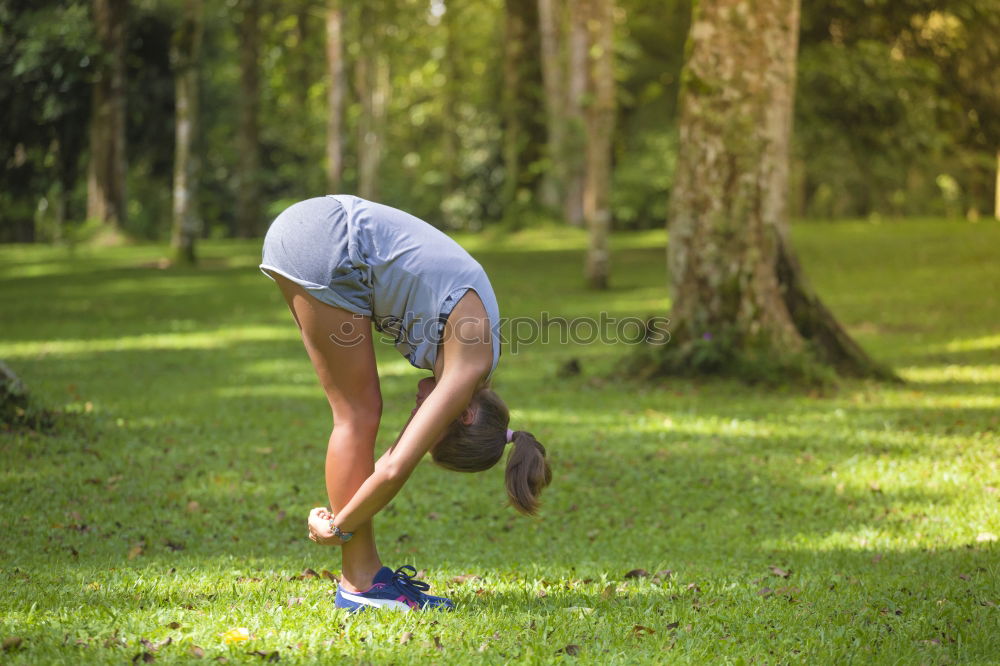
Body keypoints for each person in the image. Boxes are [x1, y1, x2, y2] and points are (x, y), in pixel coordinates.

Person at [259, 195, 552, 612]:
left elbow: (390, 458)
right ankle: (360, 584)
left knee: (359, 412)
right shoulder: (469, 363)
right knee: (357, 414)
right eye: (431, 425)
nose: (417, 413)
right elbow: (397, 467)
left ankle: (365, 578)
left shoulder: (472, 357)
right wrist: (338, 529)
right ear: (464, 415)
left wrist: (342, 521)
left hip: (317, 234)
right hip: (329, 241)